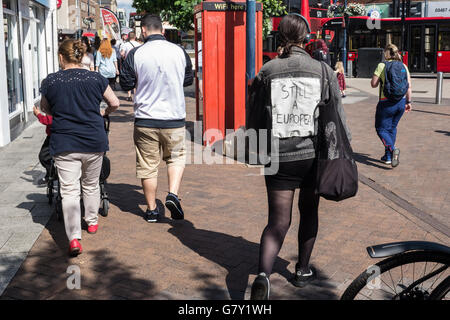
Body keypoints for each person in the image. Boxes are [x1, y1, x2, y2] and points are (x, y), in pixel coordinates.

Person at [247, 14, 351, 299]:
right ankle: (303, 270)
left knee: (277, 221)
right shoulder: (322, 70)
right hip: (312, 156)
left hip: (279, 156)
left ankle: (263, 275)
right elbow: (338, 118)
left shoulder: (267, 71)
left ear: (280, 37)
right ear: (306, 38)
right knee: (309, 212)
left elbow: (255, 119)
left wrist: (255, 149)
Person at [39, 39, 119, 256]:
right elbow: (115, 103)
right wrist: (103, 113)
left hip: (65, 143)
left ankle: (74, 238)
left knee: (69, 191)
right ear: (81, 56)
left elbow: (46, 110)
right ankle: (91, 221)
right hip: (94, 140)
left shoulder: (51, 81)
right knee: (91, 184)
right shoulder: (96, 78)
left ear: (61, 57)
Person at [120, 14, 193, 224]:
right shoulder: (178, 51)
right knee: (176, 158)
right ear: (162, 30)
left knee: (148, 165)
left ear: (143, 30)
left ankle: (152, 210)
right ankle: (172, 193)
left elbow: (125, 83)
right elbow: (187, 79)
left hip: (145, 119)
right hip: (175, 118)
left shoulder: (136, 53)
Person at [371, 43, 411, 167]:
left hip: (386, 102)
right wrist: (408, 102)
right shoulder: (403, 66)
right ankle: (388, 157)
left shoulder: (382, 65)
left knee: (381, 129)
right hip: (401, 102)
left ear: (386, 53)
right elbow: (409, 86)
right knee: (392, 128)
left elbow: (373, 84)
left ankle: (392, 150)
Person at [33, 105, 53, 185]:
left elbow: (48, 120)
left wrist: (38, 114)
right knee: (44, 157)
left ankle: (52, 173)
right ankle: (51, 173)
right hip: (52, 136)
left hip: (56, 136)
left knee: (43, 156)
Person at [120, 32, 141, 101]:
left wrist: (124, 58)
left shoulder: (125, 44)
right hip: (137, 63)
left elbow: (122, 54)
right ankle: (135, 95)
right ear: (135, 37)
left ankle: (129, 95)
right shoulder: (139, 44)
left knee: (129, 78)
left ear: (128, 37)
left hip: (128, 63)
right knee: (136, 78)